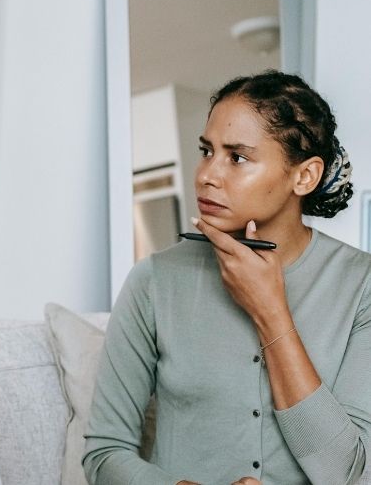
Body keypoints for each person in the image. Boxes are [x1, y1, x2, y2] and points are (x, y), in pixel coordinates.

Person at [83, 70, 371, 485]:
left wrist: (271, 311)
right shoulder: (155, 281)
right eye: (206, 150)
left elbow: (345, 474)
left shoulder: (361, 286)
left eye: (237, 157)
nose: (206, 174)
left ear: (304, 176)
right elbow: (104, 452)